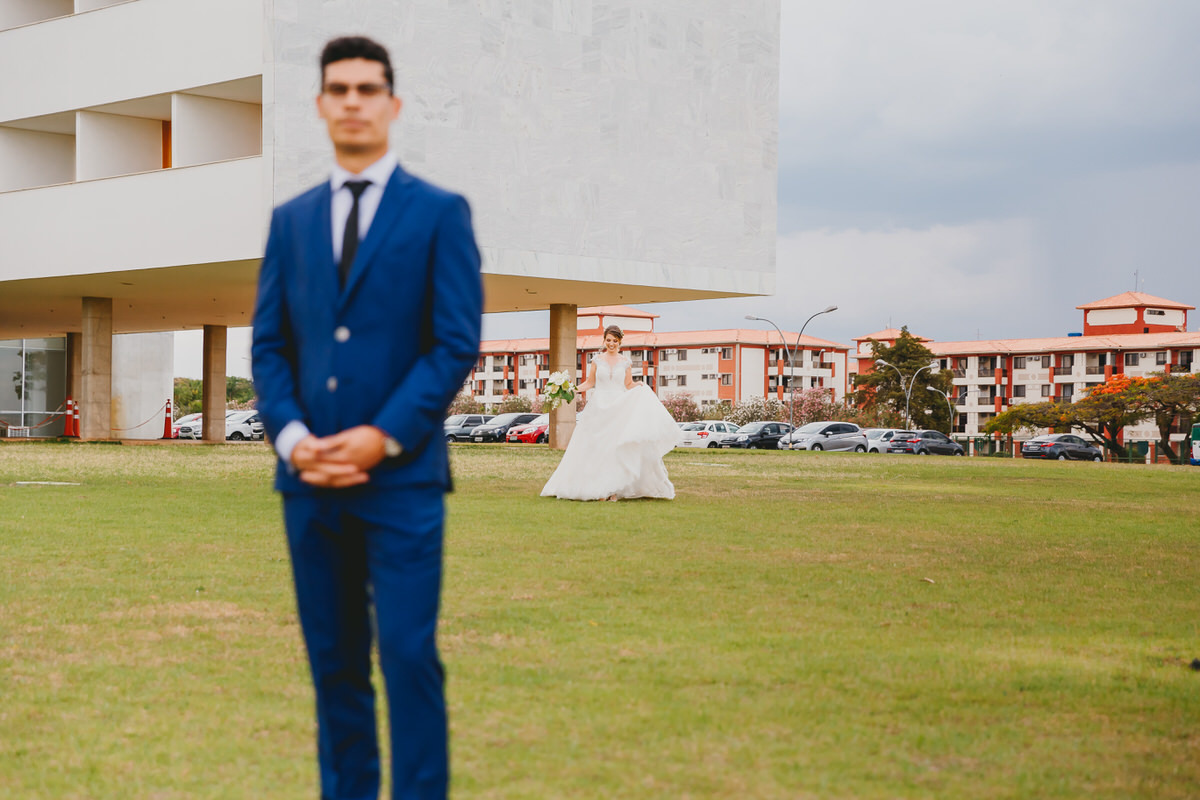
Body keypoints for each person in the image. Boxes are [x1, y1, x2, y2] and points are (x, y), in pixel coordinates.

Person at [251, 35, 482, 800]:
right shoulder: (289, 222)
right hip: (309, 481)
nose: (353, 101)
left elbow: (453, 343)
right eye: (339, 89)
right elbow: (270, 346)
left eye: (367, 88)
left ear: (392, 103)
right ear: (321, 104)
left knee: (409, 655)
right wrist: (291, 440)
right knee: (335, 661)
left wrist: (381, 436)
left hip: (402, 481)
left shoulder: (441, 214)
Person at [541, 325, 682, 501]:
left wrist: (639, 386)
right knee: (596, 449)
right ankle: (597, 489)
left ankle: (613, 490)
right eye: (608, 340)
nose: (611, 344)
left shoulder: (625, 362)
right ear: (604, 340)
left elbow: (628, 384)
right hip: (598, 408)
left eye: (615, 341)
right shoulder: (597, 360)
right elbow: (590, 383)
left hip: (618, 408)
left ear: (620, 342)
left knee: (614, 450)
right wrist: (569, 389)